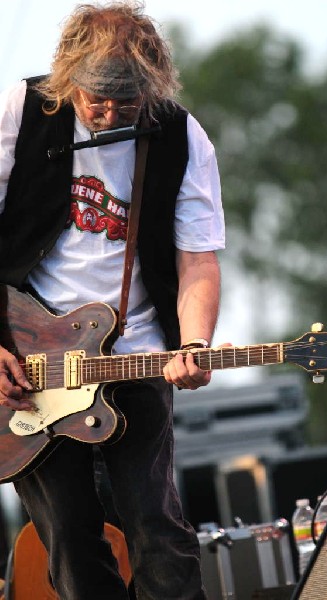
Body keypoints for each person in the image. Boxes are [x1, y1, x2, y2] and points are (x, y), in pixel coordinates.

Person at [0, 2, 225, 599]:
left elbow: (198, 257)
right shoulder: (21, 112)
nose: (106, 111)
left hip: (137, 355)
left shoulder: (180, 134)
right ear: (68, 73)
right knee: (72, 538)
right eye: (95, 97)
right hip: (28, 363)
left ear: (152, 87)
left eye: (125, 101)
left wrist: (195, 342)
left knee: (160, 532)